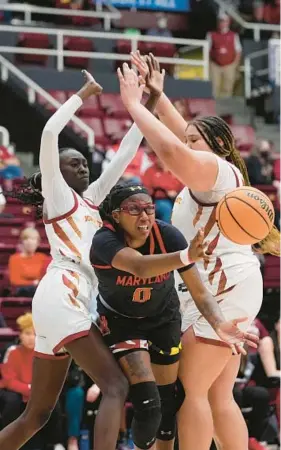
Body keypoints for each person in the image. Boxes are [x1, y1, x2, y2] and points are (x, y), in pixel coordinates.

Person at [119, 53, 280, 450]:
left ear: (215, 146)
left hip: (222, 285)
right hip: (229, 283)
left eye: (195, 141)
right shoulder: (223, 168)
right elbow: (184, 135)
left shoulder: (215, 169)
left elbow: (175, 151)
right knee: (216, 394)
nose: (186, 144)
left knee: (192, 390)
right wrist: (159, 98)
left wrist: (134, 107)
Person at [0, 69, 162, 450]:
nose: (83, 166)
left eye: (84, 162)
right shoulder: (59, 198)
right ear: (57, 172)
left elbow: (123, 155)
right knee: (115, 385)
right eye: (74, 164)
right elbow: (49, 134)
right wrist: (82, 95)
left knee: (37, 415)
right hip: (64, 291)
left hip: (69, 298)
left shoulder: (90, 200)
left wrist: (147, 105)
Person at [90, 182, 259, 450]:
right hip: (123, 321)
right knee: (148, 403)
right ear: (115, 214)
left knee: (167, 403)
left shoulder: (167, 234)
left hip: (163, 319)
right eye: (134, 209)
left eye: (149, 208)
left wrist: (219, 324)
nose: (144, 216)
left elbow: (200, 292)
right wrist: (184, 256)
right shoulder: (104, 240)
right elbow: (138, 266)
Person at [0, 313, 65, 450]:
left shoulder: (44, 352)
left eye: (35, 334)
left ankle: (55, 443)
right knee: (12, 401)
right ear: (20, 335)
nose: (31, 338)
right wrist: (29, 390)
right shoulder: (12, 351)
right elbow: (9, 380)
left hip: (38, 390)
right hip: (17, 392)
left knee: (54, 402)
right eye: (27, 333)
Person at [206, 13, 242, 98]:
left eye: (224, 21)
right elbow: (207, 50)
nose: (222, 24)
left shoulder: (234, 35)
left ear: (228, 22)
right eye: (220, 21)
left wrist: (235, 64)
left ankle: (226, 108)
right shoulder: (211, 34)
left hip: (229, 64)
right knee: (214, 87)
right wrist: (210, 63)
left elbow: (238, 51)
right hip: (215, 65)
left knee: (228, 88)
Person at [8, 227, 50, 297]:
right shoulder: (14, 258)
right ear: (22, 242)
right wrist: (34, 282)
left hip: (40, 290)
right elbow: (15, 280)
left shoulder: (43, 258)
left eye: (33, 239)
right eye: (26, 239)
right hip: (22, 292)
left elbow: (45, 278)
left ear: (38, 242)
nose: (30, 242)